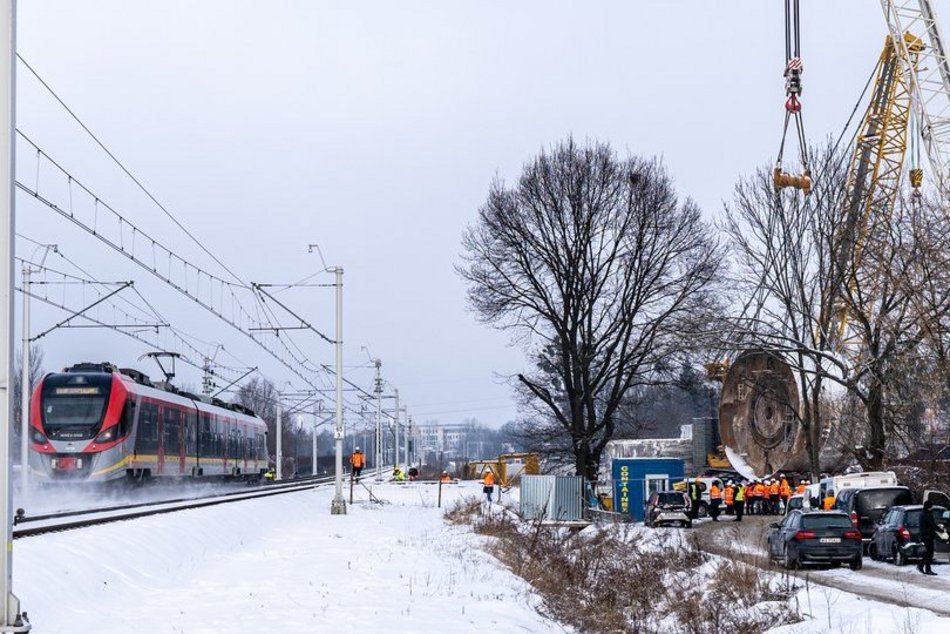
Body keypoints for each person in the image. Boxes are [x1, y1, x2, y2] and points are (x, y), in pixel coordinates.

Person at [919, 500, 939, 575]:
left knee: (928, 552)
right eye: (931, 506)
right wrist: (940, 529)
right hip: (927, 536)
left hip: (926, 535)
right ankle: (927, 569)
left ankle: (921, 565)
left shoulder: (924, 513)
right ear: (928, 507)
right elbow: (932, 524)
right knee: (930, 553)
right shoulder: (926, 514)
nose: (932, 507)